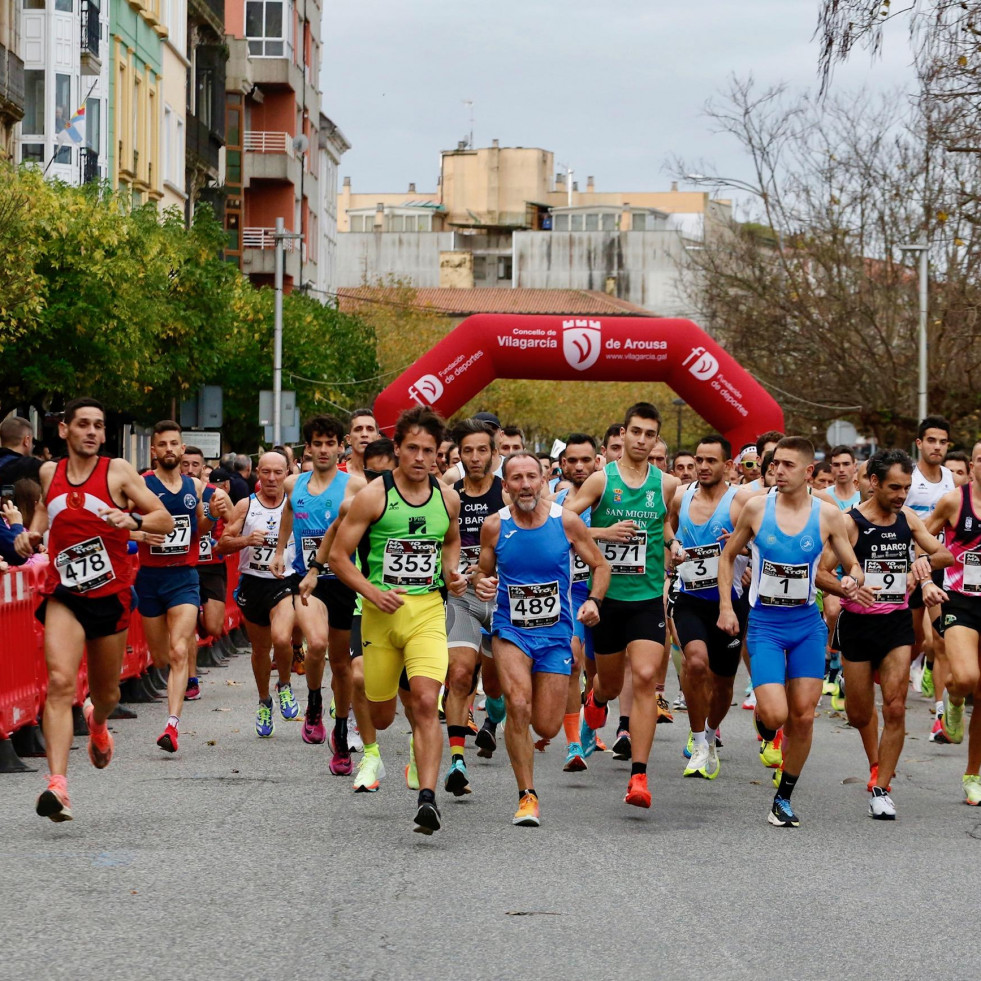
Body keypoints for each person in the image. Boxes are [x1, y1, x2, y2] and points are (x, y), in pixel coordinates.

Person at [15, 398, 173, 821]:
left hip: (111, 594)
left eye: (98, 426)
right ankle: (58, 786)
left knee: (105, 693)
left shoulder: (118, 472)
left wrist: (132, 523)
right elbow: (44, 518)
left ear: (104, 434)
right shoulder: (49, 472)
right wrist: (29, 536)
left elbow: (164, 519)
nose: (91, 432)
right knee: (61, 682)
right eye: (82, 424)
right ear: (64, 430)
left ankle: (98, 723)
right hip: (64, 593)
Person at [329, 407, 467, 834]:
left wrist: (452, 574)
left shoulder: (447, 498)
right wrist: (372, 592)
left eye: (429, 451)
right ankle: (388, 745)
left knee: (427, 701)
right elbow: (338, 556)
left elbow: (450, 542)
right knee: (384, 713)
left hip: (426, 610)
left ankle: (427, 799)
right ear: (398, 449)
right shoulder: (374, 496)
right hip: (378, 615)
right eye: (412, 449)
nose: (421, 458)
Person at [717, 436, 864, 828]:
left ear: (808, 471)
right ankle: (765, 724)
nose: (777, 471)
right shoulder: (755, 508)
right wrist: (727, 606)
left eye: (786, 465)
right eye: (774, 465)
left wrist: (852, 580)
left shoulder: (828, 515)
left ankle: (783, 798)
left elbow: (851, 565)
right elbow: (729, 555)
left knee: (803, 715)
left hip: (806, 625)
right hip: (765, 624)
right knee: (776, 713)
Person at [472, 450, 609, 826]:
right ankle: (527, 795)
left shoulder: (566, 522)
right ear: (506, 485)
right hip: (510, 630)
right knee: (518, 702)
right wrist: (480, 583)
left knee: (546, 725)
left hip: (556, 634)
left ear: (544, 479)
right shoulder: (494, 526)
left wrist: (594, 601)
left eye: (532, 476)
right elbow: (482, 573)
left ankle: (535, 732)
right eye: (516, 478)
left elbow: (600, 565)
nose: (525, 484)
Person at [820, 448, 950, 819]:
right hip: (858, 625)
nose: (901, 495)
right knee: (859, 715)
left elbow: (943, 554)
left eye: (907, 487)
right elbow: (822, 574)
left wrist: (919, 566)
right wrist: (847, 587)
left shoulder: (907, 518)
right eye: (894, 487)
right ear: (874, 483)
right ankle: (877, 763)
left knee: (895, 706)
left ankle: (881, 786)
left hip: (895, 623)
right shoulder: (849, 522)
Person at [568, 402, 681, 809]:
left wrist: (672, 543)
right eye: (636, 432)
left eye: (650, 435)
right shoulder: (602, 480)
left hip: (649, 598)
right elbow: (563, 518)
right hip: (608, 600)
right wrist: (604, 531)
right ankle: (596, 700)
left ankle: (639, 777)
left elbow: (663, 522)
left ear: (655, 439)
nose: (642, 440)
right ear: (624, 434)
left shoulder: (666, 485)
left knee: (647, 676)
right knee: (612, 684)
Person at [271, 415, 363, 774]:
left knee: (340, 664)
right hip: (306, 581)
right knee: (318, 643)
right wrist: (280, 550)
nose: (323, 450)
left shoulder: (355, 485)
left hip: (342, 580)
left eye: (330, 443)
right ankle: (313, 701)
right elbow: (289, 513)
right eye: (317, 443)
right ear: (307, 447)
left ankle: (340, 731)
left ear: (341, 446)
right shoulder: (294, 484)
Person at [134, 422, 227, 753]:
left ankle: (171, 727)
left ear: (182, 446)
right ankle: (181, 654)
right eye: (163, 444)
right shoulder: (141, 485)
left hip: (184, 577)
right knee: (160, 657)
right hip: (149, 579)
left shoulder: (194, 486)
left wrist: (213, 517)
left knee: (177, 651)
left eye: (175, 443)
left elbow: (200, 528)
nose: (170, 449)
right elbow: (117, 524)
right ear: (154, 450)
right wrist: (140, 534)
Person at [668, 434, 745, 779]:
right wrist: (673, 545)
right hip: (690, 599)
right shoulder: (681, 496)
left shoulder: (739, 503)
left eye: (710, 461)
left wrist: (744, 551)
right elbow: (667, 526)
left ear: (727, 465)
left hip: (730, 604)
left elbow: (761, 544)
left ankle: (712, 732)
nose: (701, 467)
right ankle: (699, 742)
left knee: (723, 682)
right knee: (695, 662)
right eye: (698, 460)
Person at [442, 419, 506, 795]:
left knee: (495, 685)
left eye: (483, 450)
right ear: (458, 454)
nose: (476, 457)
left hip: (501, 598)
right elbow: (435, 544)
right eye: (468, 450)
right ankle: (456, 760)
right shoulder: (448, 495)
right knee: (461, 673)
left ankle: (493, 717)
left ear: (494, 454)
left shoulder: (508, 494)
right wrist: (450, 573)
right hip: (461, 598)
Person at [218, 452, 299, 737]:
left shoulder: (294, 504)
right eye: (266, 472)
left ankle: (285, 685)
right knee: (261, 650)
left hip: (284, 581)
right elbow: (222, 544)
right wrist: (246, 540)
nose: (272, 478)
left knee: (281, 637)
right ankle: (265, 701)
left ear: (287, 472)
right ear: (257, 473)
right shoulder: (246, 505)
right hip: (253, 583)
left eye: (278, 472)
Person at [925, 441, 981, 803]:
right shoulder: (954, 501)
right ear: (973, 464)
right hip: (961, 600)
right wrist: (927, 578)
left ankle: (973, 775)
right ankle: (955, 702)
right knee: (966, 677)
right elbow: (921, 538)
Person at [905, 416, 955, 735]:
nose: (937, 447)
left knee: (940, 638)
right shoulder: (906, 477)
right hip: (902, 567)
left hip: (935, 567)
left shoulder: (950, 479)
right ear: (920, 443)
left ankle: (941, 715)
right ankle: (906, 665)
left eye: (943, 442)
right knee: (913, 639)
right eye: (931, 441)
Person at [553, 433, 600, 771]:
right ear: (563, 464)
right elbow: (556, 533)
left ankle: (595, 707)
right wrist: (602, 533)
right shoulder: (555, 500)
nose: (580, 466)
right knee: (573, 661)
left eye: (587, 460)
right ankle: (572, 744)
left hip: (609, 590)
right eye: (573, 460)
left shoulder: (614, 500)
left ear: (598, 461)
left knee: (603, 672)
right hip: (571, 592)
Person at [182, 447, 228, 699]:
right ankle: (191, 679)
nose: (190, 469)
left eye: (195, 464)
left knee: (214, 627)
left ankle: (200, 613)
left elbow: (235, 520)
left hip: (212, 566)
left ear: (203, 468)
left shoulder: (216, 494)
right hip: (184, 567)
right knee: (185, 627)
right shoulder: (170, 495)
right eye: (185, 464)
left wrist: (225, 540)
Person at [341, 408, 379, 478]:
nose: (364, 434)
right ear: (348, 439)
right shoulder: (335, 473)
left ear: (378, 438)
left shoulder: (388, 477)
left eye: (370, 429)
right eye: (358, 429)